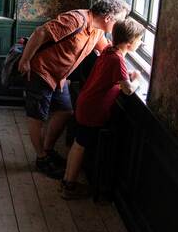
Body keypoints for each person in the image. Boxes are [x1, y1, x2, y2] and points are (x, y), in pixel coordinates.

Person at [18, 0, 130, 179]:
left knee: (65, 111)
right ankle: (41, 158)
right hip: (40, 71)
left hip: (59, 78)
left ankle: (47, 150)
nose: (120, 25)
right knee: (37, 116)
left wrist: (126, 67)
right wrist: (25, 60)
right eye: (119, 20)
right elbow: (40, 33)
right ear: (108, 18)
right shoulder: (76, 19)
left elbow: (108, 51)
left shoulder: (97, 31)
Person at [61, 18, 144, 199]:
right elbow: (128, 89)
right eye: (139, 40)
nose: (141, 43)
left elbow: (112, 76)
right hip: (94, 108)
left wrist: (126, 77)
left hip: (86, 101)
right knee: (81, 146)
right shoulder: (118, 60)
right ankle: (70, 187)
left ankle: (67, 181)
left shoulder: (108, 51)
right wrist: (136, 79)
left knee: (77, 144)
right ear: (129, 44)